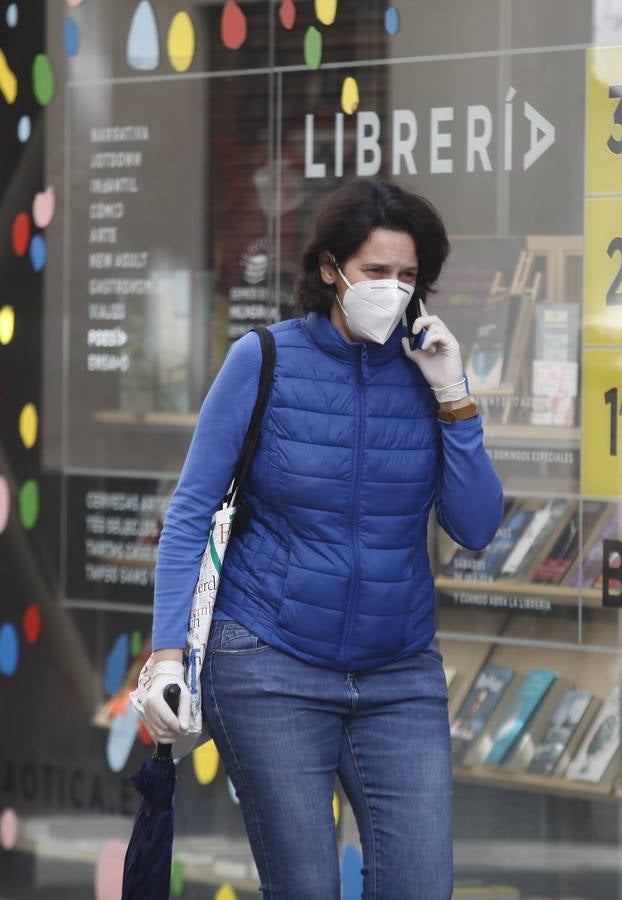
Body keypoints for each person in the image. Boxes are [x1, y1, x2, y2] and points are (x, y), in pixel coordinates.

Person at [138, 178, 504, 899]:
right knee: (305, 887)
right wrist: (166, 654)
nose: (392, 291)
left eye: (407, 277)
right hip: (269, 664)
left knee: (419, 885)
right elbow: (189, 513)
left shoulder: (427, 376)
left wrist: (455, 397)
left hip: (398, 673)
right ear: (331, 269)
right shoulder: (263, 360)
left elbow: (476, 525)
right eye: (375, 272)